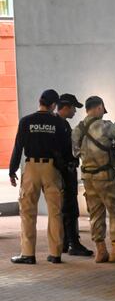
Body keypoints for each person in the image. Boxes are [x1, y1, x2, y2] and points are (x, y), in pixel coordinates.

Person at [8, 89, 69, 264]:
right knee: (55, 212)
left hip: (32, 167)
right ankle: (55, 254)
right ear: (53, 105)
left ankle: (28, 254)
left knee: (27, 212)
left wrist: (12, 171)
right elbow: (65, 149)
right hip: (51, 169)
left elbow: (18, 147)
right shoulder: (58, 123)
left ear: (39, 101)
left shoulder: (26, 121)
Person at [72, 96, 115, 263]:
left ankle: (100, 251)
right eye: (102, 109)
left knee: (96, 213)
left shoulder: (78, 129)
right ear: (99, 107)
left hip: (88, 177)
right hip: (105, 176)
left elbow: (75, 152)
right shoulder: (105, 126)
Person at [56, 93, 93, 257]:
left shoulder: (61, 123)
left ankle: (65, 242)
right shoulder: (59, 124)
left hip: (65, 170)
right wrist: (66, 165)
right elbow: (59, 149)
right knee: (70, 208)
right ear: (66, 107)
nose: (75, 111)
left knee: (66, 208)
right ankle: (73, 243)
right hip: (65, 172)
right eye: (73, 108)